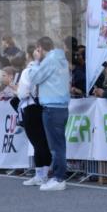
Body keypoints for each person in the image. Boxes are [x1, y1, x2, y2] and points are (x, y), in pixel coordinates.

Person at [27, 37, 70, 191]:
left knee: (56, 146)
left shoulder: (49, 60)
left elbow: (33, 78)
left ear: (39, 48)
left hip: (52, 106)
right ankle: (58, 176)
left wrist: (37, 61)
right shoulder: (61, 59)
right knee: (59, 144)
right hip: (62, 105)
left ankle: (59, 178)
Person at [16, 54, 52, 187]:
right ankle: (44, 174)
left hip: (31, 107)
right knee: (45, 142)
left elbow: (22, 93)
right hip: (47, 107)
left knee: (37, 143)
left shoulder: (28, 71)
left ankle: (40, 175)